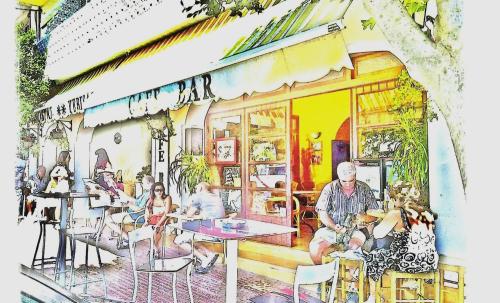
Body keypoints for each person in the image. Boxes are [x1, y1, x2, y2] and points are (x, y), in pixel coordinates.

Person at [362, 201, 439, 303]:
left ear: (396, 201)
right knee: (388, 255)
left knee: (373, 256)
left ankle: (373, 297)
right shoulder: (425, 213)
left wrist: (374, 225)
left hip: (409, 261)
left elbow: (378, 234)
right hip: (429, 262)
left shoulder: (397, 213)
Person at [309, 161, 379, 264]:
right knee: (316, 248)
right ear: (338, 177)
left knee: (354, 247)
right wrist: (333, 226)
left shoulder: (364, 189)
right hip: (332, 229)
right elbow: (322, 212)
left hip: (356, 230)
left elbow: (375, 213)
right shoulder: (330, 189)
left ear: (355, 176)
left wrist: (365, 219)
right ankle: (326, 275)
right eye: (344, 181)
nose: (348, 184)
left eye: (351, 180)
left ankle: (350, 277)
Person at [173, 182, 225, 274]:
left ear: (201, 188)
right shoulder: (216, 197)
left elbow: (189, 214)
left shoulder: (199, 197)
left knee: (178, 240)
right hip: (219, 231)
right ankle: (209, 254)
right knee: (189, 236)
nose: (195, 190)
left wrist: (186, 212)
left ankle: (204, 259)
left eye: (196, 188)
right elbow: (209, 214)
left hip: (208, 231)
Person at [103, 175, 155, 246]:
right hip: (135, 214)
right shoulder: (149, 193)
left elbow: (138, 209)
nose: (142, 185)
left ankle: (127, 238)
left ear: (149, 183)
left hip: (136, 216)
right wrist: (125, 197)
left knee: (107, 219)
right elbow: (137, 202)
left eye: (143, 183)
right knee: (110, 214)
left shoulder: (147, 195)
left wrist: (127, 203)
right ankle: (126, 237)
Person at [143, 182, 172, 256]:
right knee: (143, 230)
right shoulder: (151, 199)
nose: (159, 192)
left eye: (161, 190)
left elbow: (166, 214)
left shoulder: (167, 198)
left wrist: (158, 224)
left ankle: (153, 250)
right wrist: (146, 221)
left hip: (163, 219)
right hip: (152, 219)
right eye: (157, 190)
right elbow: (147, 211)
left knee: (156, 230)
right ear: (153, 191)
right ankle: (155, 248)